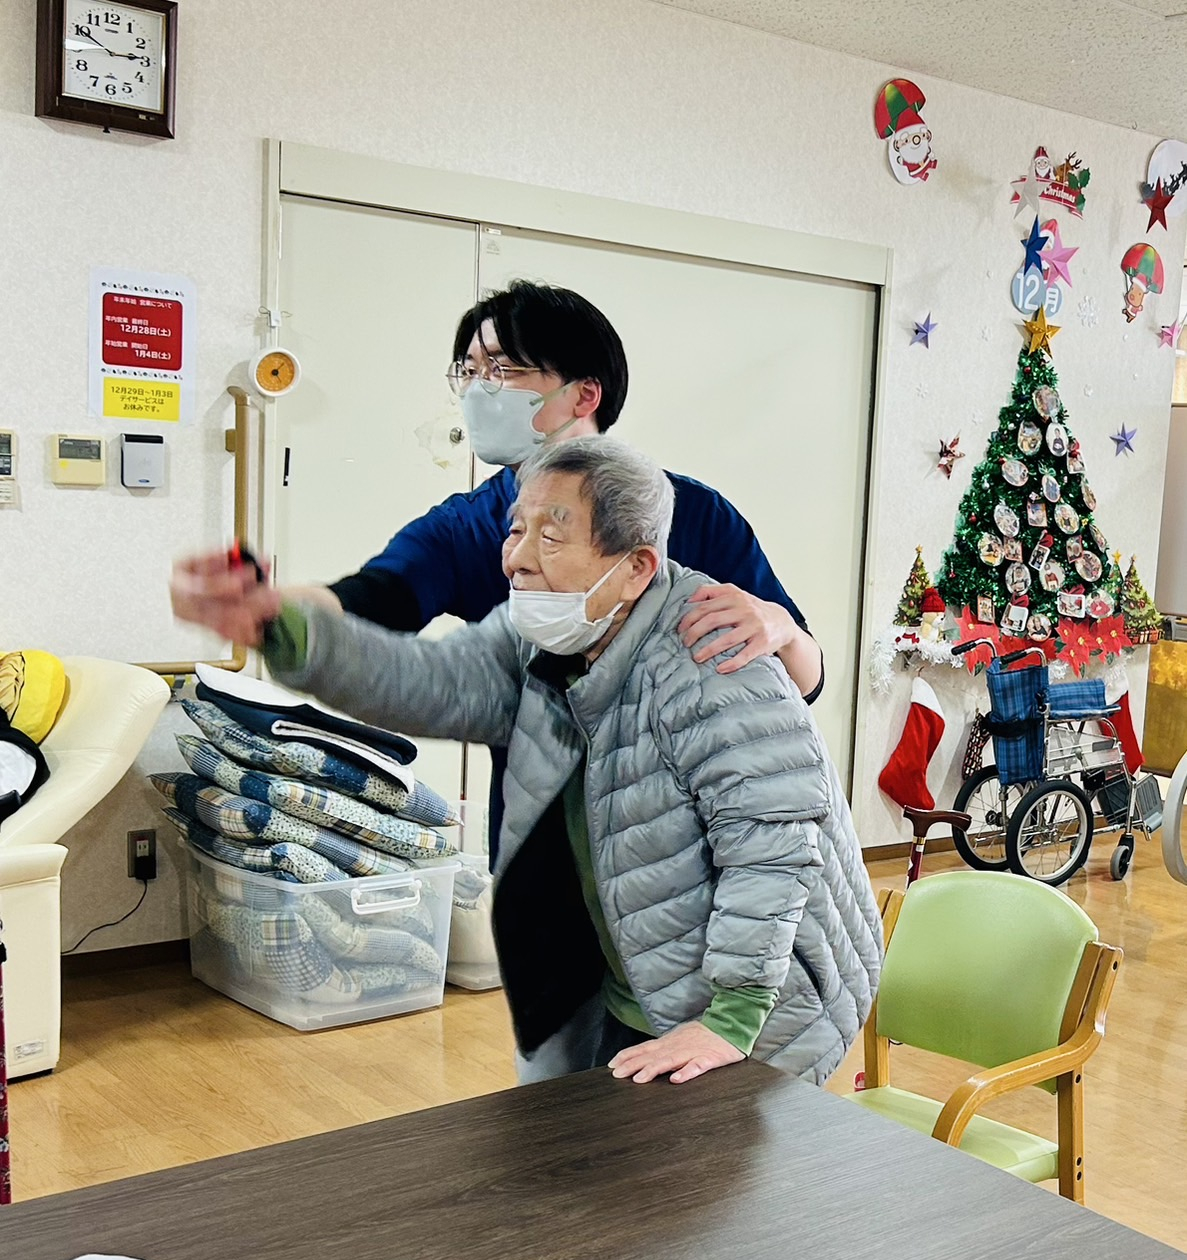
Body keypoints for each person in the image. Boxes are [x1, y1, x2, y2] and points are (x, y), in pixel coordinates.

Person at [177, 437, 881, 1086]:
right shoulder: (538, 637)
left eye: (551, 533)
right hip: (639, 979)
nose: (517, 557)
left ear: (635, 567)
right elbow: (423, 679)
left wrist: (731, 1018)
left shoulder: (710, 657)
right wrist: (281, 629)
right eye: (516, 530)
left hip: (765, 1002)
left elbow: (772, 846)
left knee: (705, 1177)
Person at [171, 281, 824, 854]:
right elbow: (373, 599)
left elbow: (803, 682)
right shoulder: (470, 524)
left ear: (583, 393)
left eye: (503, 368)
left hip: (689, 846)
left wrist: (784, 631)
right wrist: (271, 609)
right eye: (468, 369)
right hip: (543, 840)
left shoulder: (695, 515)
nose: (479, 388)